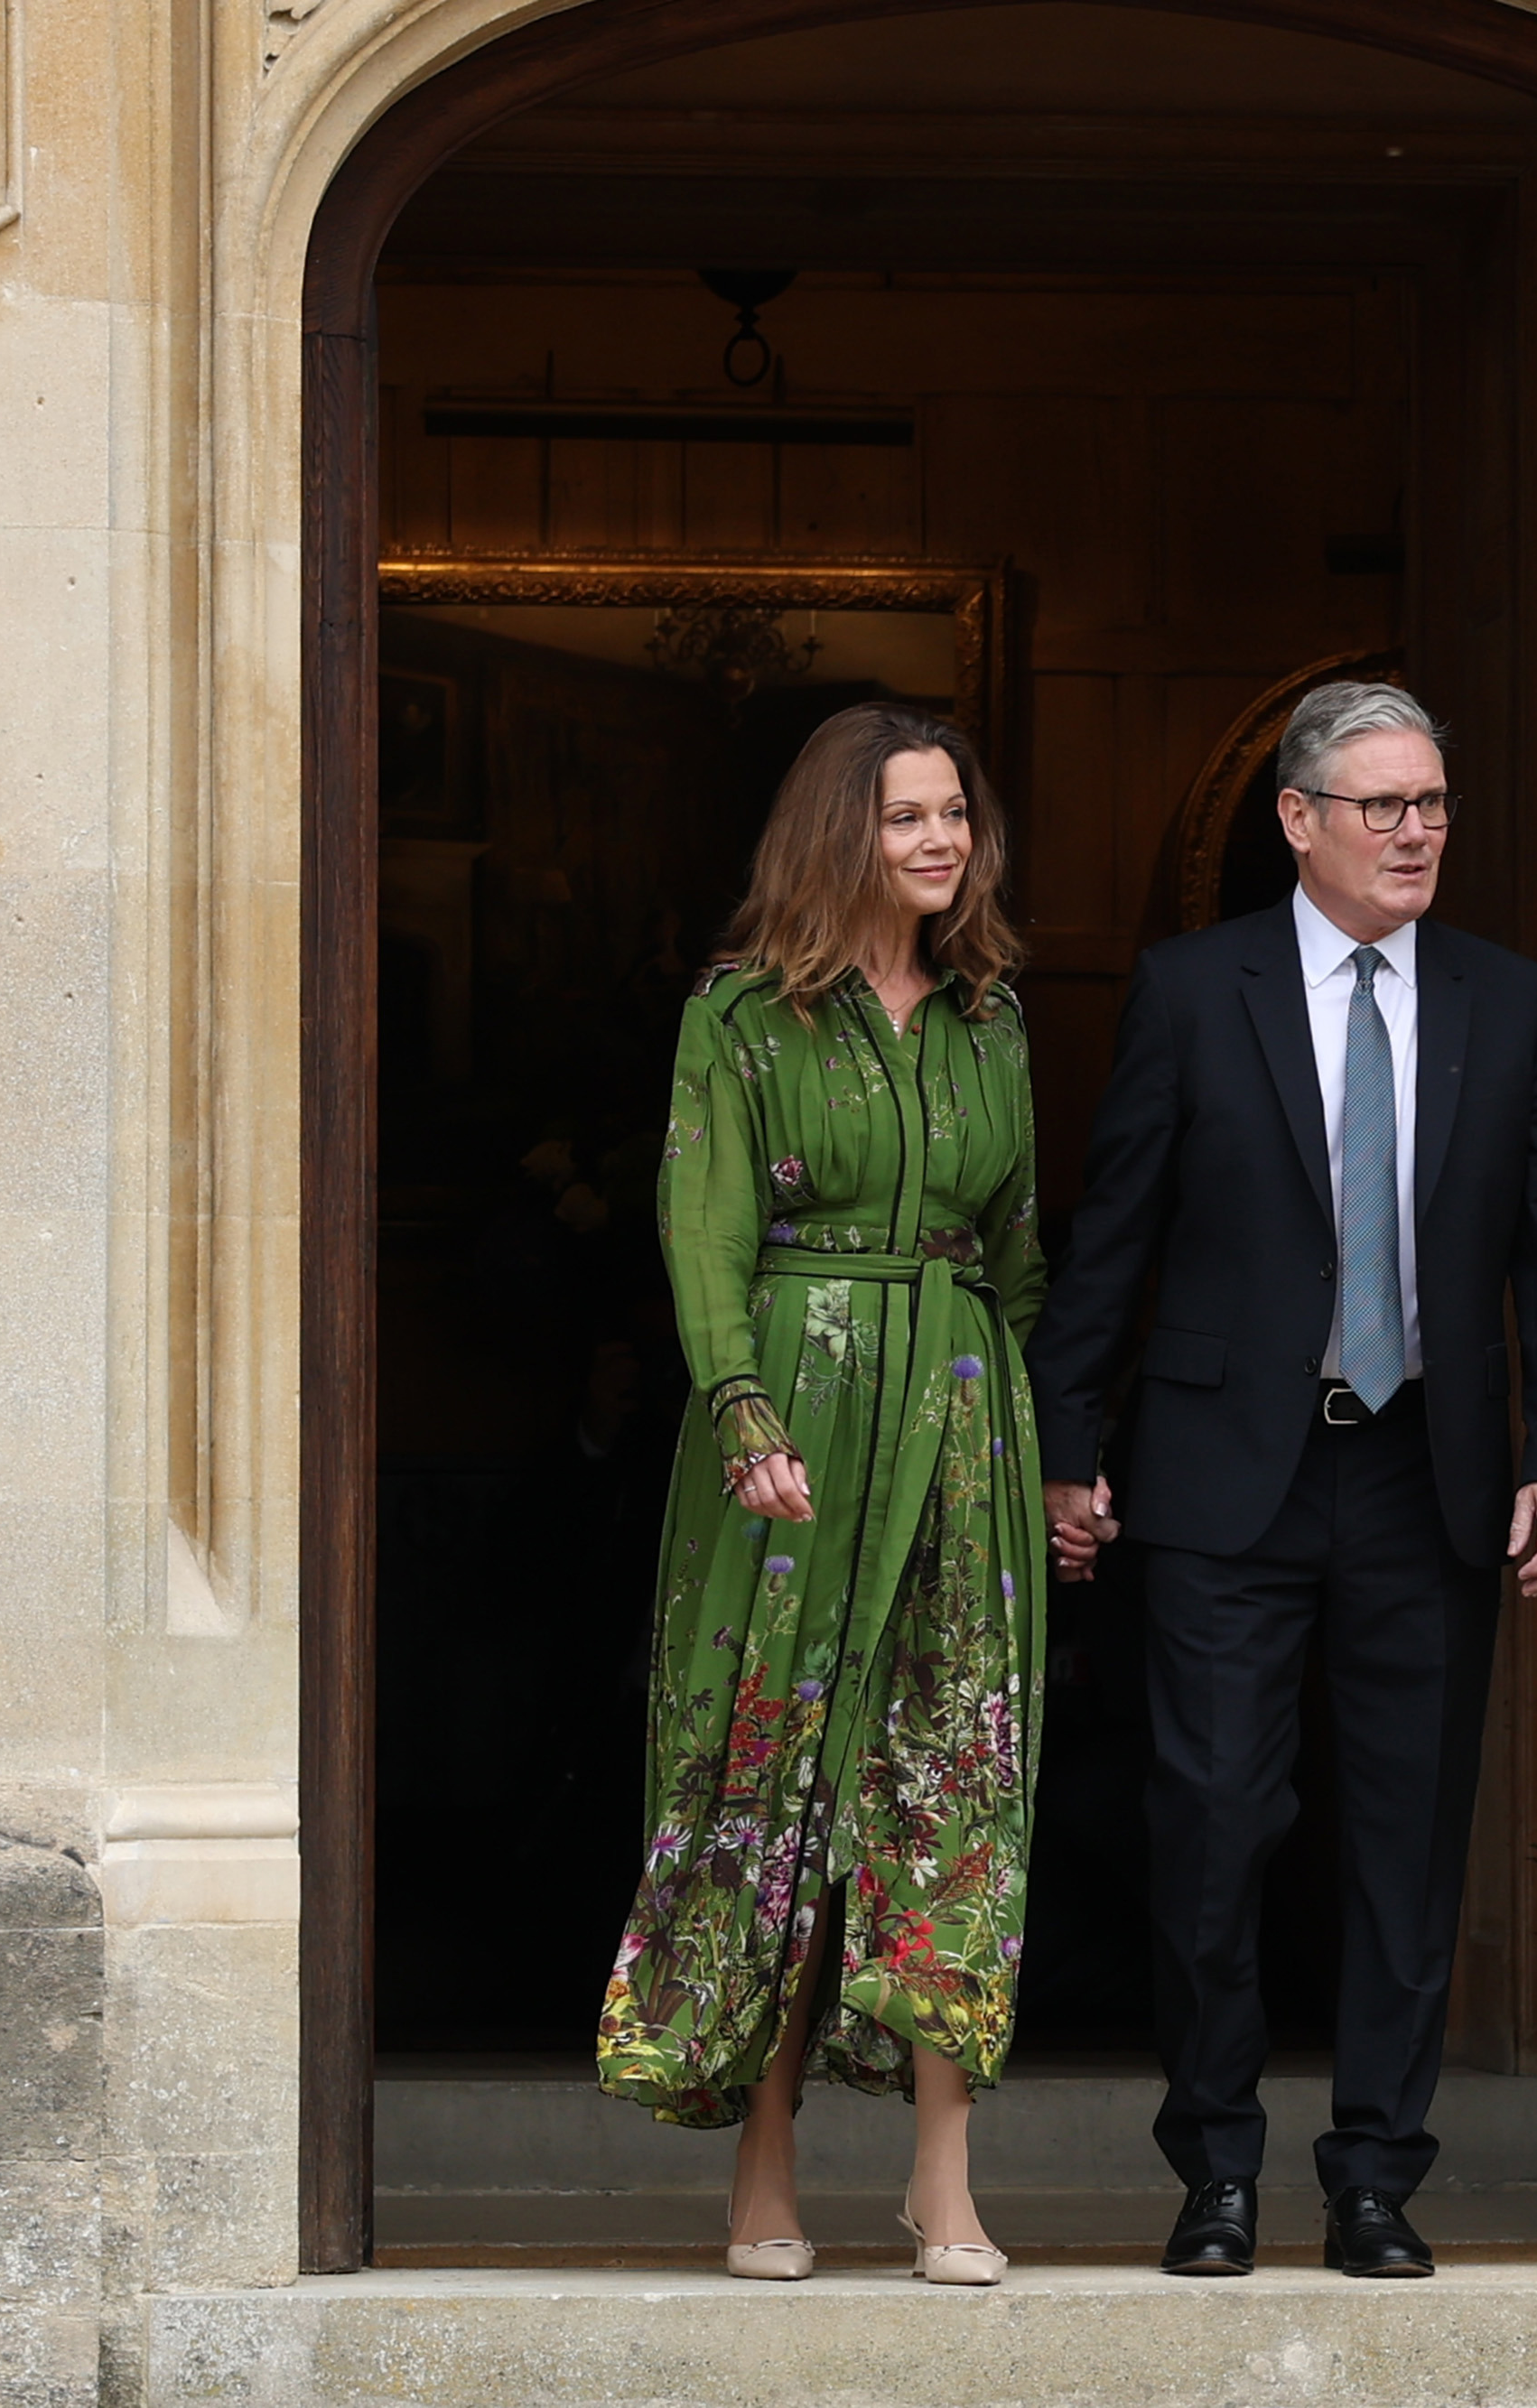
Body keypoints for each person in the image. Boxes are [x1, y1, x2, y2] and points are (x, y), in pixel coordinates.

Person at [1028, 682, 1537, 2280]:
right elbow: (1116, 1235)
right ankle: (1215, 2169)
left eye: (1432, 804)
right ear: (1299, 820)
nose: (1417, 832)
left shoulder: (1511, 1002)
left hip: (1428, 1480)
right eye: (1384, 807)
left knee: (1406, 1845)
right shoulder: (1189, 990)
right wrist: (1066, 1448)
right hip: (1223, 1488)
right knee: (1212, 1828)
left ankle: (1376, 2180)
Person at [594, 702, 1047, 2290]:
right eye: (905, 817)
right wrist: (741, 1408)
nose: (939, 842)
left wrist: (1041, 1457)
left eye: (954, 816)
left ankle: (942, 2181)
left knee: (949, 1781)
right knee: (775, 1780)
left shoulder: (992, 1018)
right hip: (793, 1418)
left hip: (965, 1433)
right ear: (833, 834)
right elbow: (701, 1227)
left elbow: (1021, 1259)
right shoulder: (741, 1017)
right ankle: (763, 2170)